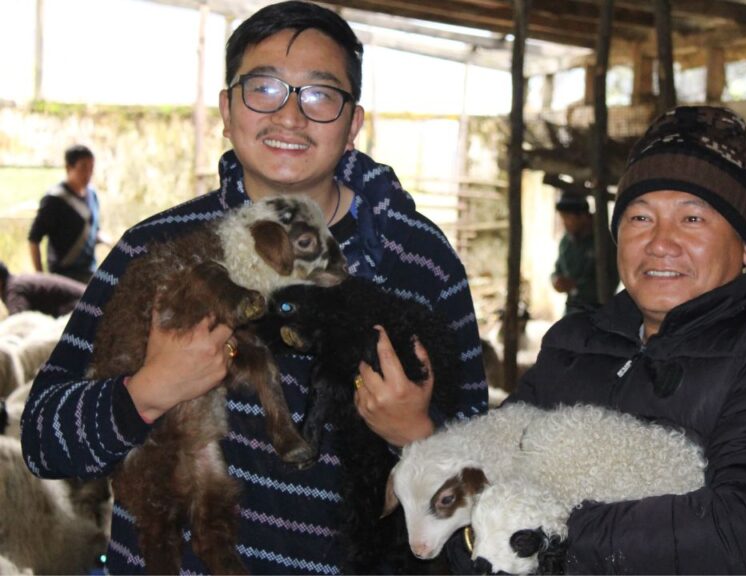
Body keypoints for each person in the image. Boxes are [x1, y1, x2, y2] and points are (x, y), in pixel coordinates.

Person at [21, 2, 487, 573]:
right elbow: (41, 442)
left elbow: (485, 456)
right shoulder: (154, 250)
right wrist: (147, 391)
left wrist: (418, 433)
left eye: (319, 94)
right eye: (263, 88)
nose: (289, 116)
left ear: (352, 124)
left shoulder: (420, 261)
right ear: (226, 109)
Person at [478, 106, 746, 573]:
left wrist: (545, 533)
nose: (660, 242)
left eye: (692, 219)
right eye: (640, 217)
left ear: (744, 247)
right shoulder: (572, 343)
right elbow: (483, 479)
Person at [28, 145, 108, 284]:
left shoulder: (92, 195)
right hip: (63, 276)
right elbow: (34, 239)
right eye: (83, 168)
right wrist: (41, 277)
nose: (88, 173)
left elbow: (94, 231)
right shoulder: (54, 199)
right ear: (68, 168)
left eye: (91, 168)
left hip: (90, 271)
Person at [550, 192, 617, 315]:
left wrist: (575, 286)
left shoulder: (604, 242)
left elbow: (611, 281)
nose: (565, 223)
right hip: (571, 312)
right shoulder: (566, 242)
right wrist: (556, 280)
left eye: (568, 218)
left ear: (583, 216)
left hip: (597, 313)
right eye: (563, 218)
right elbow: (557, 270)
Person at [0, 260, 86, 318]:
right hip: (86, 301)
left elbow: (18, 322)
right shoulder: (17, 282)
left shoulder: (13, 291)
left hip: (82, 309)